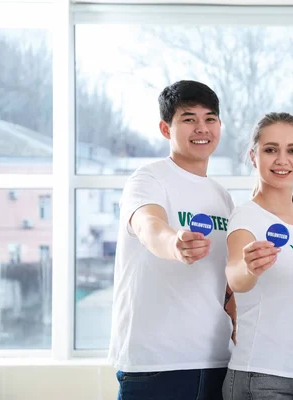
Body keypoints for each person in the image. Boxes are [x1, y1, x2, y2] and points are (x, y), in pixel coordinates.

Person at [108, 80, 236, 400]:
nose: (201, 128)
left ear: (219, 125)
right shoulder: (148, 179)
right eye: (188, 119)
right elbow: (149, 225)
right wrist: (174, 243)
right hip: (154, 364)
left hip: (215, 361)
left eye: (209, 119)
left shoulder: (222, 197)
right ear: (166, 129)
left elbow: (225, 287)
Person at [223, 112, 293, 400]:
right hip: (262, 379)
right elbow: (235, 274)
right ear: (253, 156)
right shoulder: (246, 216)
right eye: (271, 150)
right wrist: (248, 268)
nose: (282, 160)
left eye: (292, 151)